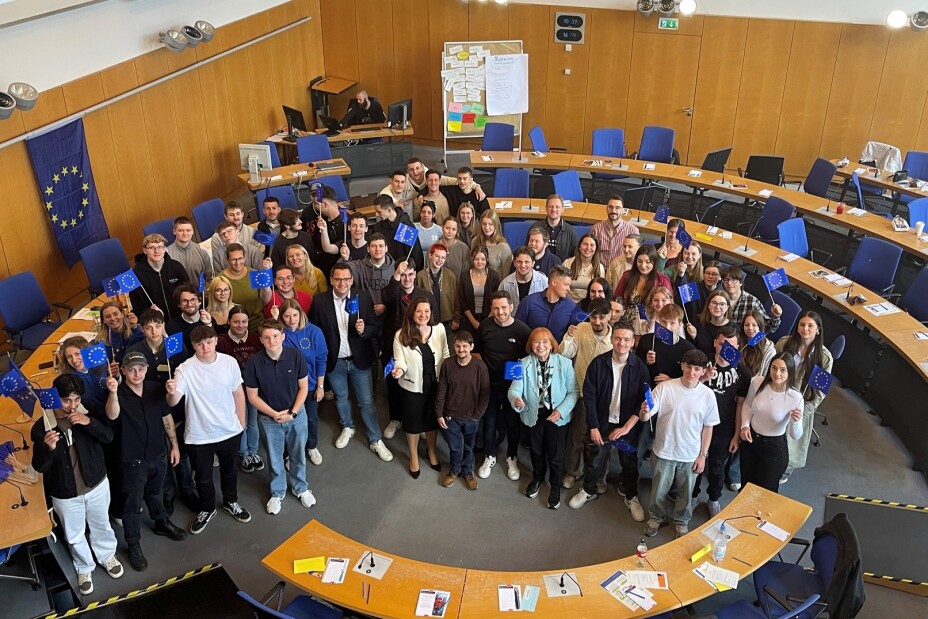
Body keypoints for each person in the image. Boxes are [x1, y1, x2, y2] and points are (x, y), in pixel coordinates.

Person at [31, 374, 123, 595]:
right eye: (66, 400)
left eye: (76, 399)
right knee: (74, 534)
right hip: (65, 493)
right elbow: (39, 466)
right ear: (55, 398)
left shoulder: (88, 409)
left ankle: (107, 556)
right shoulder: (42, 426)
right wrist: (47, 448)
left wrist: (89, 422)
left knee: (101, 523)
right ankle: (84, 567)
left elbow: (108, 436)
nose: (72, 406)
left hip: (97, 483)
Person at [166, 325, 251, 534]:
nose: (205, 347)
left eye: (209, 342)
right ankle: (207, 508)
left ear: (215, 341)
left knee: (229, 471)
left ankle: (231, 502)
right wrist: (170, 392)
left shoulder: (229, 362)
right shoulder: (184, 369)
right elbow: (173, 399)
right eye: (200, 344)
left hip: (230, 430)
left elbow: (238, 394)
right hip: (199, 435)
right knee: (202, 477)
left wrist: (241, 424)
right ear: (194, 346)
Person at [107, 351, 187, 572]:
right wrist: (112, 393)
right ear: (123, 370)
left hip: (158, 453)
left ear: (146, 370)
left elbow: (166, 414)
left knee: (156, 492)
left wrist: (174, 445)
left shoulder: (154, 388)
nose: (136, 373)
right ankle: (133, 544)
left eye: (140, 369)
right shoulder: (118, 393)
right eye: (131, 369)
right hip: (132, 460)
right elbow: (112, 415)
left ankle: (161, 522)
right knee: (132, 505)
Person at [308, 262, 393, 461]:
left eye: (346, 279)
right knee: (341, 398)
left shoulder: (361, 297)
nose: (342, 283)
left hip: (359, 358)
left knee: (366, 402)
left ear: (352, 280)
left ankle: (375, 439)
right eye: (338, 279)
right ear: (331, 280)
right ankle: (348, 426)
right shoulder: (320, 301)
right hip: (334, 361)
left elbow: (374, 326)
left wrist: (365, 330)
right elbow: (314, 330)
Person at [569, 322, 650, 523]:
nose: (621, 343)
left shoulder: (640, 368)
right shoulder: (598, 364)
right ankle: (588, 490)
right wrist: (594, 427)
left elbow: (643, 401)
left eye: (626, 339)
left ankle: (631, 496)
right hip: (602, 424)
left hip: (628, 426)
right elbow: (589, 397)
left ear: (633, 343)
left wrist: (626, 428)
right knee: (596, 459)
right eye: (618, 338)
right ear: (612, 339)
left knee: (629, 463)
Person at [639, 348, 719, 538]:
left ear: (703, 371)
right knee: (658, 491)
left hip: (690, 455)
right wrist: (644, 412)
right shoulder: (666, 388)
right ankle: (656, 518)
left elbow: (708, 427)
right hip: (664, 450)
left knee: (685, 494)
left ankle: (682, 522)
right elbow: (647, 416)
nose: (692, 373)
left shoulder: (708, 395)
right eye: (689, 367)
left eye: (697, 369)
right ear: (682, 366)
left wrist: (703, 455)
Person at [245, 320, 317, 514]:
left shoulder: (296, 356)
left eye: (276, 336)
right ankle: (277, 492)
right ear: (261, 340)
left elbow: (303, 388)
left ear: (283, 336)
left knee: (298, 454)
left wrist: (292, 412)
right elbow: (252, 396)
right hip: (270, 419)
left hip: (296, 414)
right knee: (275, 458)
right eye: (267, 337)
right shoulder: (254, 363)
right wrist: (275, 414)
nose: (272, 340)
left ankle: (301, 488)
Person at [508, 327, 578, 510]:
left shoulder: (565, 363)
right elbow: (513, 389)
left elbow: (573, 392)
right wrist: (516, 398)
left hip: (557, 415)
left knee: (555, 454)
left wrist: (562, 411)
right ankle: (538, 478)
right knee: (536, 450)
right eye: (536, 342)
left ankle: (555, 486)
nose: (541, 346)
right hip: (532, 413)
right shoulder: (519, 363)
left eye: (545, 341)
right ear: (531, 345)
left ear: (552, 344)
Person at [690, 328, 751, 517]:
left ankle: (713, 498)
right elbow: (687, 390)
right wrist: (704, 377)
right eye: (722, 344)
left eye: (731, 346)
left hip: (724, 427)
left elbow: (741, 405)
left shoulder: (742, 372)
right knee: (695, 464)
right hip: (698, 425)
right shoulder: (702, 362)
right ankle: (693, 496)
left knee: (717, 467)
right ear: (715, 343)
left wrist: (736, 435)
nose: (726, 349)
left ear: (738, 348)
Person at [475, 291, 532, 482]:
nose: (500, 312)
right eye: (496, 308)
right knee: (489, 422)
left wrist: (516, 385)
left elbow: (527, 358)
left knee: (512, 423)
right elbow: (478, 352)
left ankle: (512, 457)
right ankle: (489, 455)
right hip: (489, 386)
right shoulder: (485, 327)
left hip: (513, 387)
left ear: (511, 307)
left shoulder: (522, 330)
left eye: (504, 308)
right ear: (491, 309)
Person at [558, 299, 614, 492]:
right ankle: (572, 472)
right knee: (577, 437)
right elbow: (564, 354)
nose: (597, 321)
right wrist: (567, 337)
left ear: (610, 316)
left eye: (602, 317)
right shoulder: (581, 328)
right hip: (582, 392)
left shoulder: (616, 338)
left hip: (605, 399)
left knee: (601, 441)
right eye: (594, 317)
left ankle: (599, 478)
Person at [391, 297, 450, 478]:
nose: (423, 315)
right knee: (413, 423)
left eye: (426, 311)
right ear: (412, 313)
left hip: (435, 385)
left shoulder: (439, 329)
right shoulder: (401, 334)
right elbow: (399, 360)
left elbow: (446, 353)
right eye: (419, 311)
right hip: (412, 387)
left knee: (432, 420)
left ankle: (431, 451)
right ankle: (414, 456)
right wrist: (399, 370)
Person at [775, 311, 833, 482]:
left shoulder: (824, 357)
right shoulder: (785, 343)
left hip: (800, 406)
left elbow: (820, 392)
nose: (805, 329)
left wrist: (804, 412)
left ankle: (785, 472)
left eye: (810, 326)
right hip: (778, 398)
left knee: (792, 446)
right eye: (802, 324)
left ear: (818, 330)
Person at [739, 353, 804, 493]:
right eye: (774, 368)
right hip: (750, 441)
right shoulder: (758, 383)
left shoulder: (795, 397)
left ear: (790, 372)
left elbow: (796, 435)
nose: (777, 373)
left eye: (783, 370)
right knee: (746, 487)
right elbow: (747, 405)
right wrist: (744, 426)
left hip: (773, 448)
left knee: (765, 492)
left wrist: (795, 421)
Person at [436, 330, 490, 490]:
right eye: (458, 346)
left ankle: (468, 472)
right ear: (454, 347)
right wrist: (439, 413)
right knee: (455, 446)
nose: (461, 350)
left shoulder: (480, 367)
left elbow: (485, 393)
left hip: (471, 417)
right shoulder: (447, 365)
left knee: (469, 446)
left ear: (471, 347)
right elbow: (442, 390)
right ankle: (454, 470)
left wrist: (477, 415)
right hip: (451, 415)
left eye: (465, 346)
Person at [278, 299, 327, 466]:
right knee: (288, 421)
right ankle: (288, 454)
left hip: (311, 384)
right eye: (287, 316)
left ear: (301, 314)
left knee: (311, 418)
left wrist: (321, 386)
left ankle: (311, 446)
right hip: (287, 387)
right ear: (281, 317)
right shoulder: (280, 334)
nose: (291, 319)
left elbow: (321, 359)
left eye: (295, 315)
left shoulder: (314, 332)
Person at [215, 306, 264, 474]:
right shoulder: (221, 341)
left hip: (253, 389)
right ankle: (243, 454)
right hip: (233, 392)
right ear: (229, 321)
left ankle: (253, 452)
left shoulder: (256, 339)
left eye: (244, 321)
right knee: (240, 424)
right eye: (236, 321)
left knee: (252, 422)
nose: (240, 325)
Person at [514, 264, 580, 343]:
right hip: (530, 352)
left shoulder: (571, 306)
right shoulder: (528, 302)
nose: (569, 289)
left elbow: (574, 335)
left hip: (558, 353)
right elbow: (517, 330)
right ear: (554, 283)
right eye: (566, 285)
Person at [130, 233, 189, 321]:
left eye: (160, 247)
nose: (156, 251)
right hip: (155, 323)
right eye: (152, 248)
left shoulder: (176, 267)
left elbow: (188, 292)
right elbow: (138, 306)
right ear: (145, 250)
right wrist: (150, 313)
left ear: (165, 248)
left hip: (181, 319)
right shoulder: (136, 275)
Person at [616, 245, 671, 327]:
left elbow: (669, 307)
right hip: (625, 322)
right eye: (639, 261)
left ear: (654, 262)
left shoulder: (662, 281)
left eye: (648, 262)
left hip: (649, 324)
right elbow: (617, 298)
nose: (643, 265)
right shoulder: (627, 276)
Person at [220, 243, 273, 329]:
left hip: (256, 324)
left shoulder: (254, 274)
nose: (237, 262)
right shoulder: (221, 279)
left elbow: (265, 301)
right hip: (234, 327)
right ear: (227, 259)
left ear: (245, 258)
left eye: (240, 258)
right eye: (234, 259)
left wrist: (266, 285)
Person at [369, 194, 424, 271]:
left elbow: (415, 254)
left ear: (389, 210)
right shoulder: (378, 227)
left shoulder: (405, 227)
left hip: (404, 272)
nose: (377, 215)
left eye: (379, 212)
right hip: (384, 271)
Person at [721, 266, 782, 334]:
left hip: (742, 340)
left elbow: (769, 327)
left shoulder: (752, 302)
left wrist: (775, 316)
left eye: (734, 280)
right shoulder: (719, 297)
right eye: (726, 280)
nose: (729, 283)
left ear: (741, 282)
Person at [458, 245, 501, 338]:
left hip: (490, 319)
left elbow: (497, 300)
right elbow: (462, 301)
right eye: (476, 259)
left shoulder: (494, 276)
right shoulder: (464, 276)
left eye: (483, 259)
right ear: (472, 259)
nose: (480, 262)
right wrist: (474, 322)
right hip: (469, 320)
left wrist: (486, 321)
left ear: (487, 260)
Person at [348, 232, 395, 318]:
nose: (377, 249)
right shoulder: (359, 266)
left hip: (389, 317)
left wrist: (386, 307)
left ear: (386, 248)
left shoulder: (395, 268)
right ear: (368, 249)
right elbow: (343, 269)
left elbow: (399, 295)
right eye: (373, 246)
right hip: (366, 316)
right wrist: (345, 259)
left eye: (381, 246)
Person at [57, 335, 109, 412]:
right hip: (91, 416)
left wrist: (117, 377)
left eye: (77, 354)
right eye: (69, 357)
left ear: (87, 352)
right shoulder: (68, 379)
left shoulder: (101, 365)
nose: (74, 360)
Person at [416, 243, 460, 331]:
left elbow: (457, 299)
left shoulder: (450, 275)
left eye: (443, 257)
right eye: (437, 256)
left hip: (447, 321)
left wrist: (457, 319)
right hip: (426, 321)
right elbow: (416, 300)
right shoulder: (420, 276)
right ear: (430, 255)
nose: (440, 260)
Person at [589, 195, 640, 267]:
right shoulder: (596, 228)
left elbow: (637, 255)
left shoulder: (632, 230)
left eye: (617, 208)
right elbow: (590, 252)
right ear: (606, 209)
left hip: (621, 272)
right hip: (600, 271)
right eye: (610, 207)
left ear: (623, 210)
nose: (613, 211)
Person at [498, 246, 548, 314]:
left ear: (533, 263)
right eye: (519, 262)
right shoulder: (505, 284)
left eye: (526, 262)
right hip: (514, 322)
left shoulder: (544, 281)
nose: (523, 265)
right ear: (514, 263)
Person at [684, 289, 733, 356]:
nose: (717, 307)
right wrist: (693, 337)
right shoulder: (696, 322)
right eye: (714, 303)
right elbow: (690, 350)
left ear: (727, 307)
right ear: (708, 305)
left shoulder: (733, 328)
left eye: (722, 304)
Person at [166, 283, 214, 350]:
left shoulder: (209, 320)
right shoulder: (172, 326)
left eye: (193, 300)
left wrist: (208, 325)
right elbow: (176, 354)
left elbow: (214, 346)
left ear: (200, 301)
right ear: (179, 304)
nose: (189, 304)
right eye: (185, 301)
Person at [166, 216, 213, 283]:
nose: (185, 234)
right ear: (174, 231)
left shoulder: (202, 251)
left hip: (199, 292)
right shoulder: (166, 254)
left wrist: (205, 293)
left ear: (193, 231)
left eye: (188, 230)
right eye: (180, 230)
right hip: (177, 293)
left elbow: (210, 278)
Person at [562, 234, 605, 303]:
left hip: (590, 304)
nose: (588, 248)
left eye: (592, 245)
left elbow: (600, 293)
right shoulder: (567, 263)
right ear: (579, 246)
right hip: (568, 302)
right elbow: (561, 287)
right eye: (585, 244)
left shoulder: (600, 268)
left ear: (596, 249)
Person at [536, 194, 578, 261]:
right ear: (546, 209)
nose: (554, 209)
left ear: (562, 209)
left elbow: (575, 257)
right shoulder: (536, 227)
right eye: (550, 206)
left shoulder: (570, 231)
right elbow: (529, 252)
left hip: (562, 269)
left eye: (557, 207)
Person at [474, 210, 513, 278]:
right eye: (484, 224)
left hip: (495, 286)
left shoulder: (504, 248)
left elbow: (506, 276)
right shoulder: (475, 241)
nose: (487, 227)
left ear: (496, 225)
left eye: (490, 224)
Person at [741, 310, 775, 378]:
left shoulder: (769, 350)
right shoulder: (738, 341)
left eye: (754, 325)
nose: (750, 328)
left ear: (760, 327)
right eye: (747, 325)